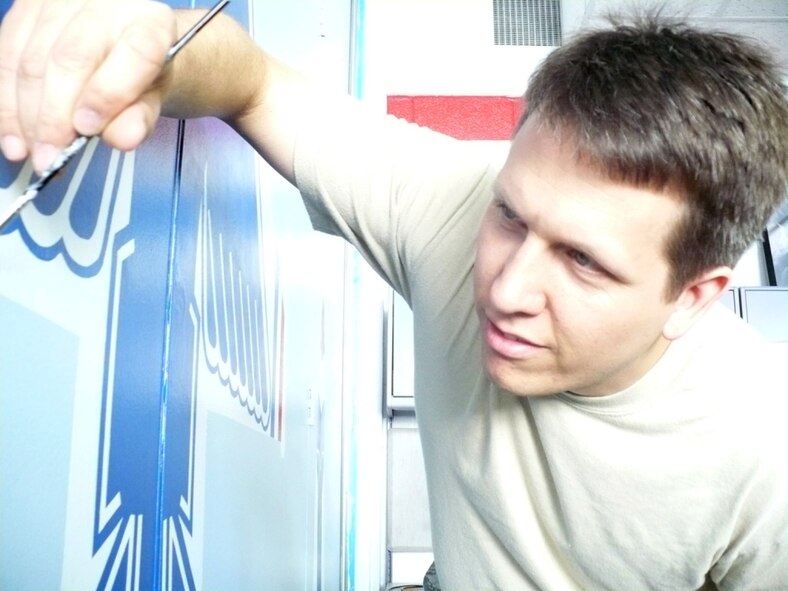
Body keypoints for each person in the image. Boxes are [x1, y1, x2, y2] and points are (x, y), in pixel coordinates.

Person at [1, 2, 786, 589]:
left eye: (583, 262)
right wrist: (141, 46)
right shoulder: (453, 202)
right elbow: (253, 85)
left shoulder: (766, 460)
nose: (506, 288)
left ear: (694, 295)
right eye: (509, 214)